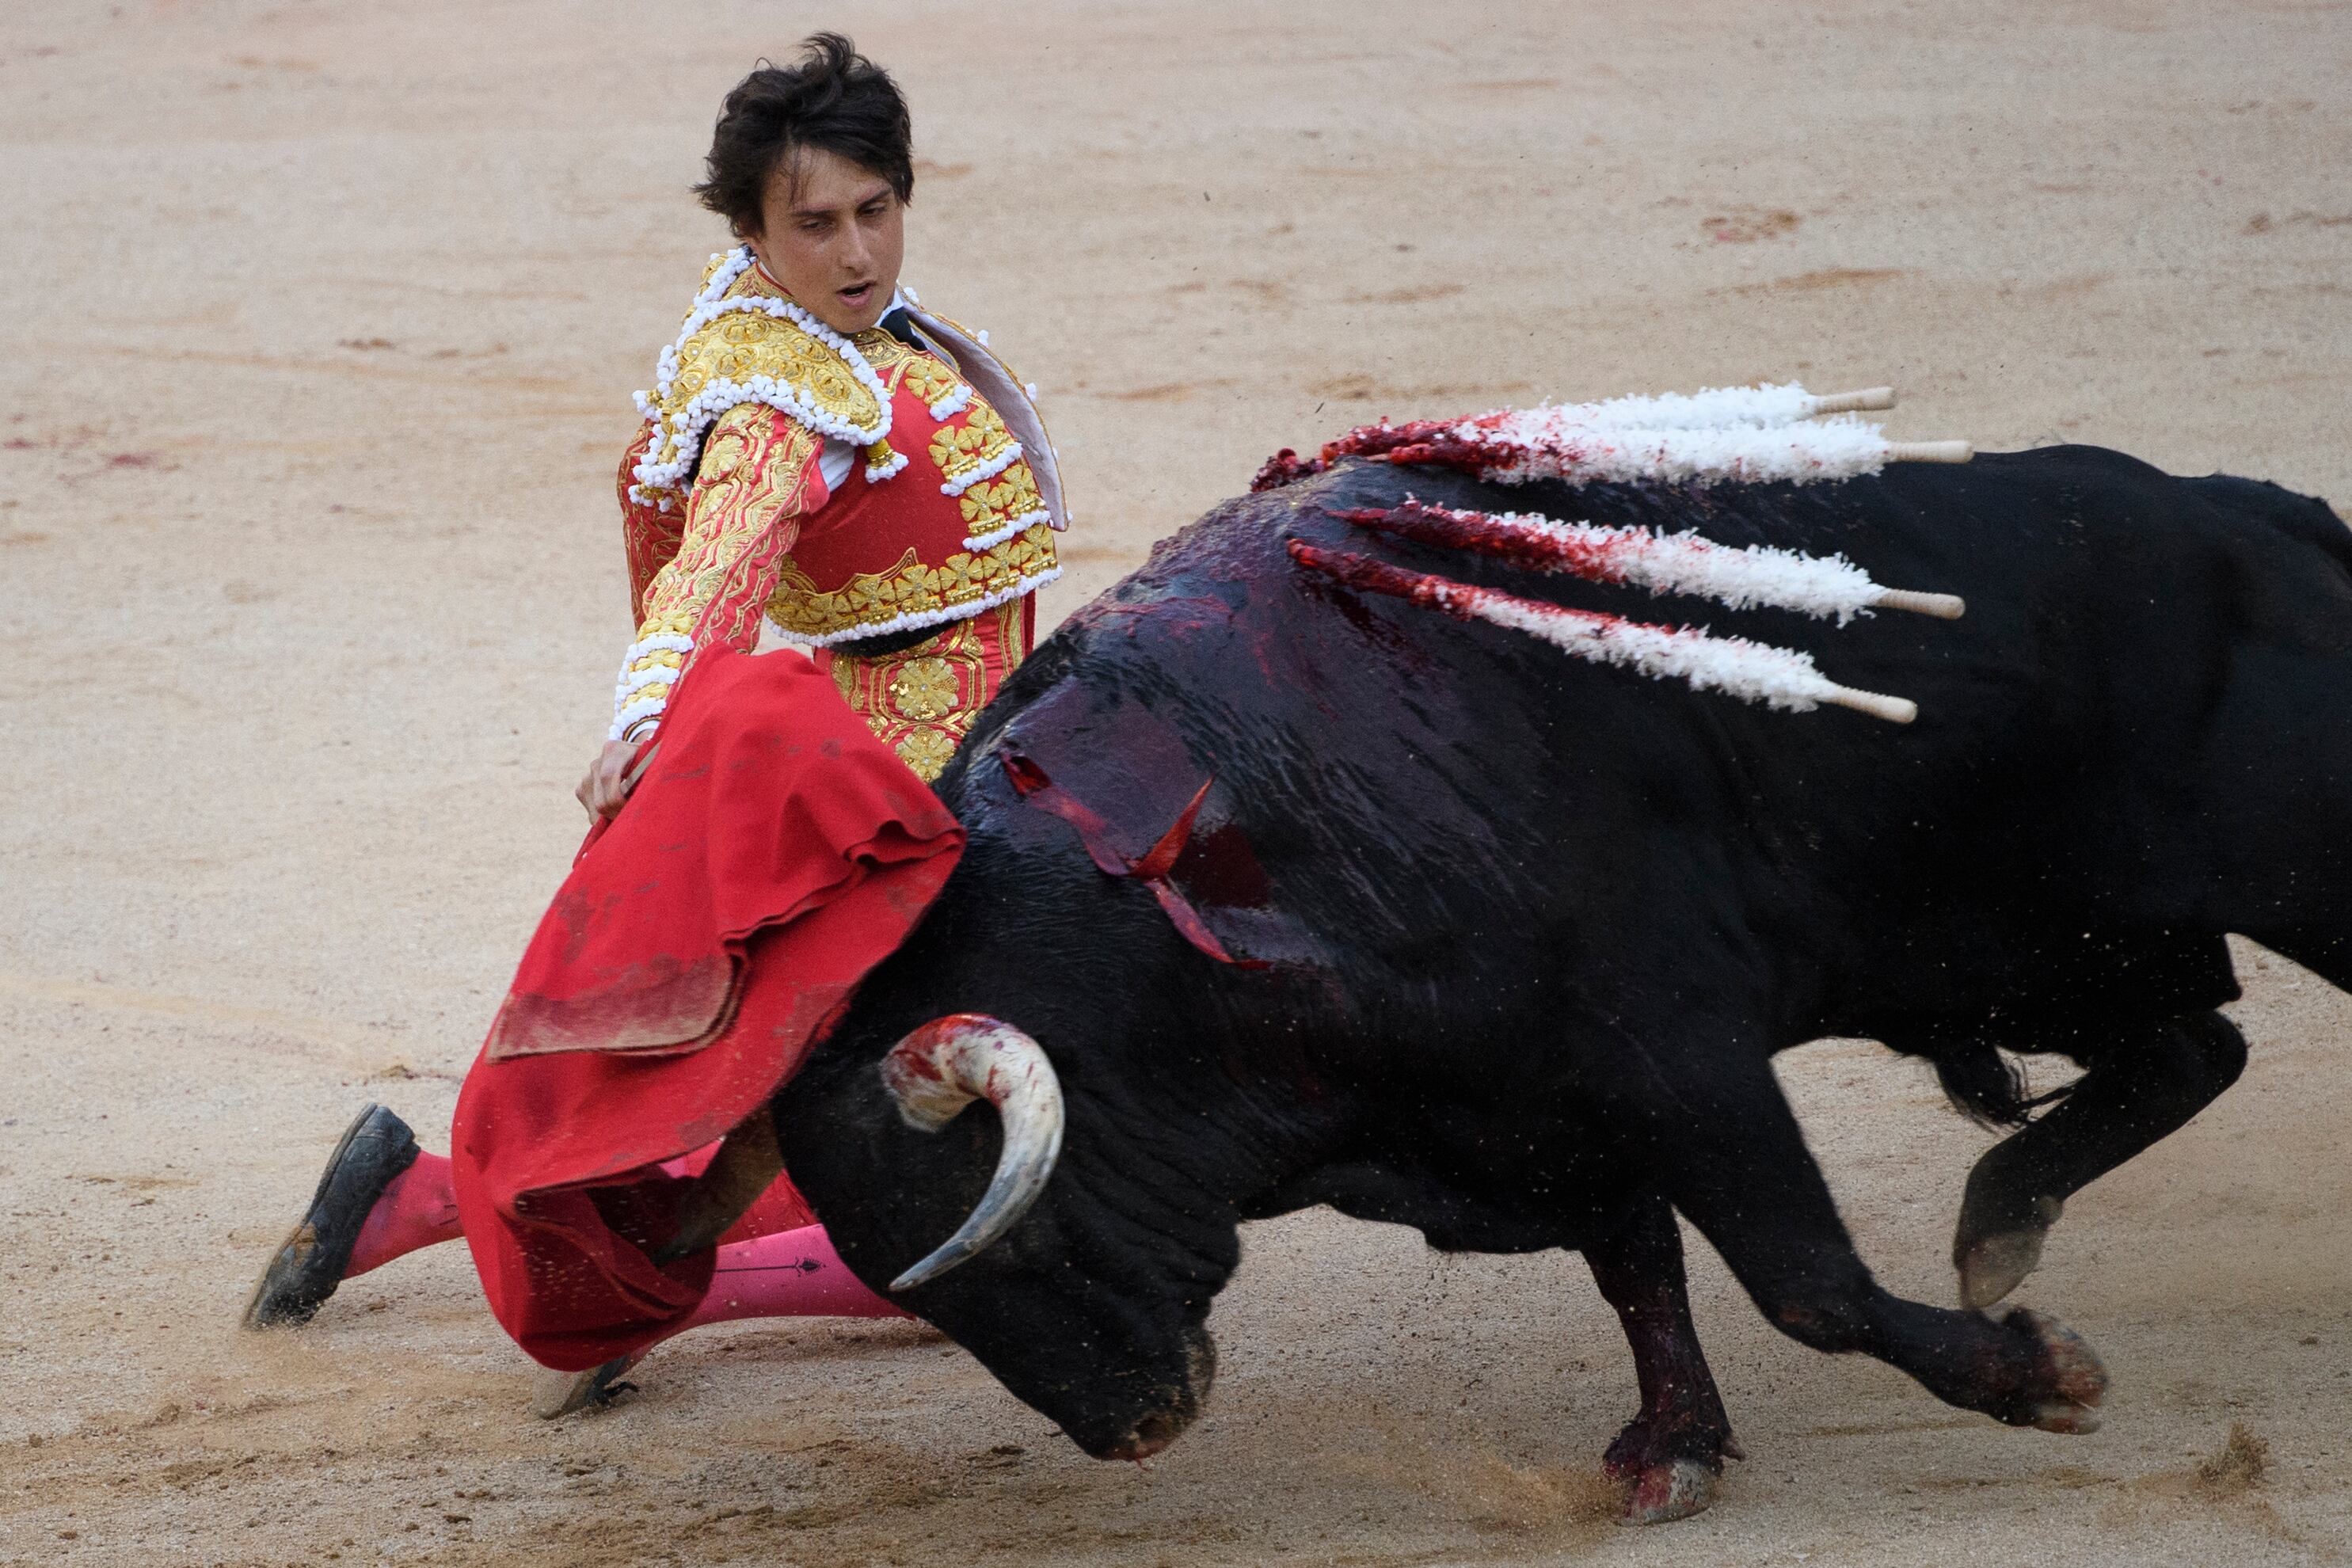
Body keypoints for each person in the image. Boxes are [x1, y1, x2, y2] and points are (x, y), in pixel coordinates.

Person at [243, 34, 1068, 1414]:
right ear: (750, 229)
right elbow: (712, 577)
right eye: (813, 222)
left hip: (971, 742)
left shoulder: (837, 333)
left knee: (842, 1123)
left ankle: (422, 1200)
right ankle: (637, 1283)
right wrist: (647, 728)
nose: (854, 248)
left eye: (876, 208)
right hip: (901, 784)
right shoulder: (774, 394)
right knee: (926, 1184)